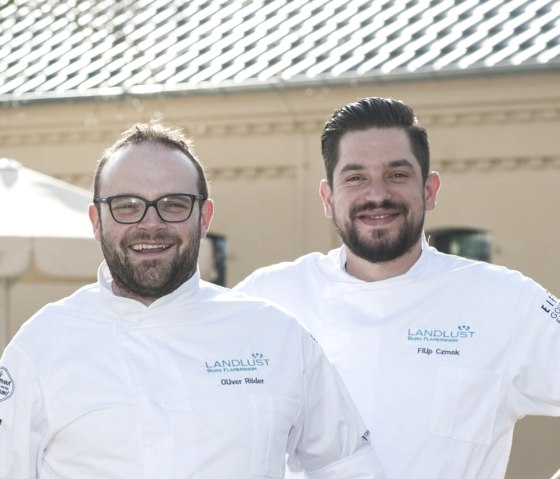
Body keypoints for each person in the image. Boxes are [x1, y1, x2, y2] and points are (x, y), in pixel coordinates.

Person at [0, 121, 387, 479]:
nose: (150, 223)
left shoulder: (275, 335)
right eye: (127, 205)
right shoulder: (41, 345)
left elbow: (348, 464)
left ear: (204, 217)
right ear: (96, 221)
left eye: (173, 204)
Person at [235, 97, 560, 479]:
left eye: (397, 174)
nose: (377, 194)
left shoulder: (504, 301)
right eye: (355, 178)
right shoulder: (270, 297)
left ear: (430, 189)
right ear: (328, 198)